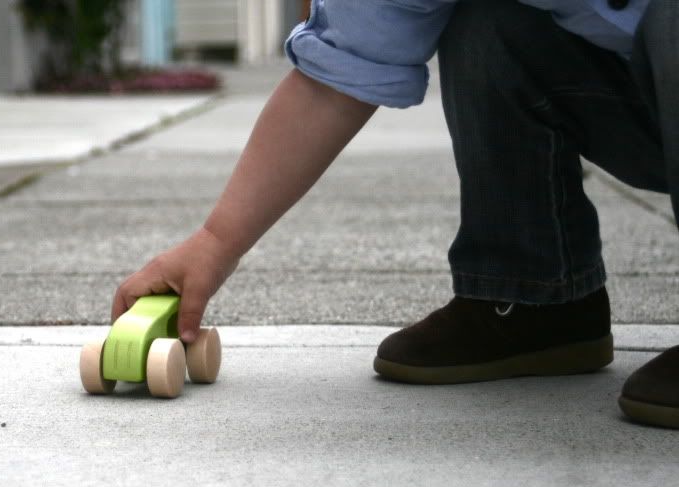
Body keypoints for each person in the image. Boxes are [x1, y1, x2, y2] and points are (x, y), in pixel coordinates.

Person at [112, 0, 678, 429]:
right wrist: (215, 242)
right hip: (646, 101)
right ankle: (534, 298)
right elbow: (338, 72)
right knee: (489, 21)